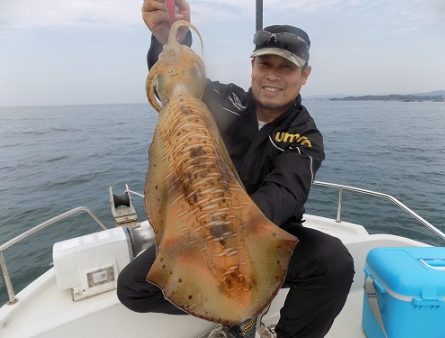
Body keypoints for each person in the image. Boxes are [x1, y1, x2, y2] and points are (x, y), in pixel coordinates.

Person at [117, 0, 355, 337]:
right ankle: (230, 314)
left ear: (304, 75)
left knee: (334, 263)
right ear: (252, 66)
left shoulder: (304, 135)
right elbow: (177, 83)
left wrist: (228, 233)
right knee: (133, 288)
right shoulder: (222, 100)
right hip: (196, 228)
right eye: (264, 63)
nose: (272, 75)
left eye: (285, 68)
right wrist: (168, 37)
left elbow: (285, 192)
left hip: (265, 236)